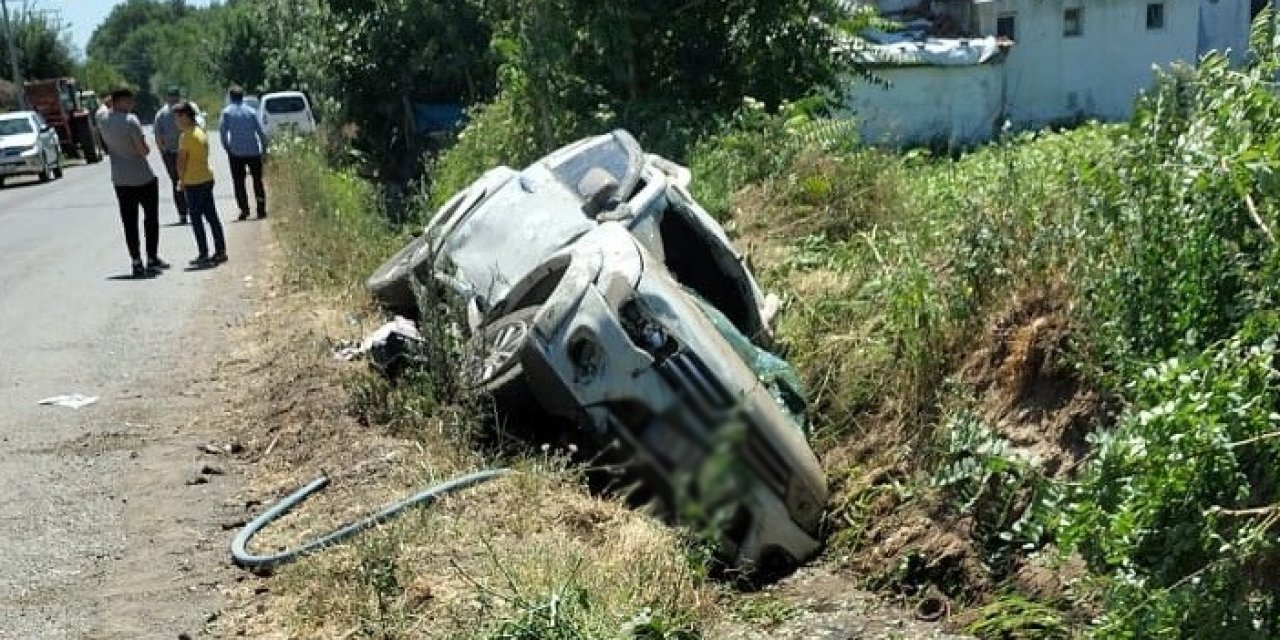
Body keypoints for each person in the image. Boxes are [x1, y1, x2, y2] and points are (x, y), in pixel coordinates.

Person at [98, 87, 169, 278]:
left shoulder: (102, 119)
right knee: (150, 219)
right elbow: (143, 150)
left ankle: (136, 261)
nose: (132, 105)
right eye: (129, 101)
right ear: (121, 101)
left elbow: (101, 106)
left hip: (120, 179)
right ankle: (152, 258)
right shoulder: (131, 121)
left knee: (129, 223)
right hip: (142, 177)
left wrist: (110, 100)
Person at [174, 101, 226, 268]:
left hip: (194, 181)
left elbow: (181, 162)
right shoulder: (200, 132)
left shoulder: (186, 137)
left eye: (179, 116)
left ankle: (203, 253)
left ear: (187, 116)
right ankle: (220, 250)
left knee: (196, 219)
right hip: (206, 178)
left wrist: (181, 180)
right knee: (211, 216)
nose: (177, 120)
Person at [219, 85, 268, 220]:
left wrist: (228, 148)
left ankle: (244, 209)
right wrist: (264, 150)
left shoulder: (227, 113)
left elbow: (223, 134)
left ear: (230, 97)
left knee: (239, 182)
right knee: (258, 181)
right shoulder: (251, 112)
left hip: (236, 153)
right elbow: (261, 133)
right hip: (253, 151)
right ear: (243, 96)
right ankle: (261, 209)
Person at [153, 87, 188, 224]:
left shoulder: (161, 114)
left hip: (172, 153)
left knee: (177, 182)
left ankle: (183, 212)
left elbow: (158, 136)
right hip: (184, 151)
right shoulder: (186, 110)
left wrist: (163, 152)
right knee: (189, 180)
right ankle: (189, 209)